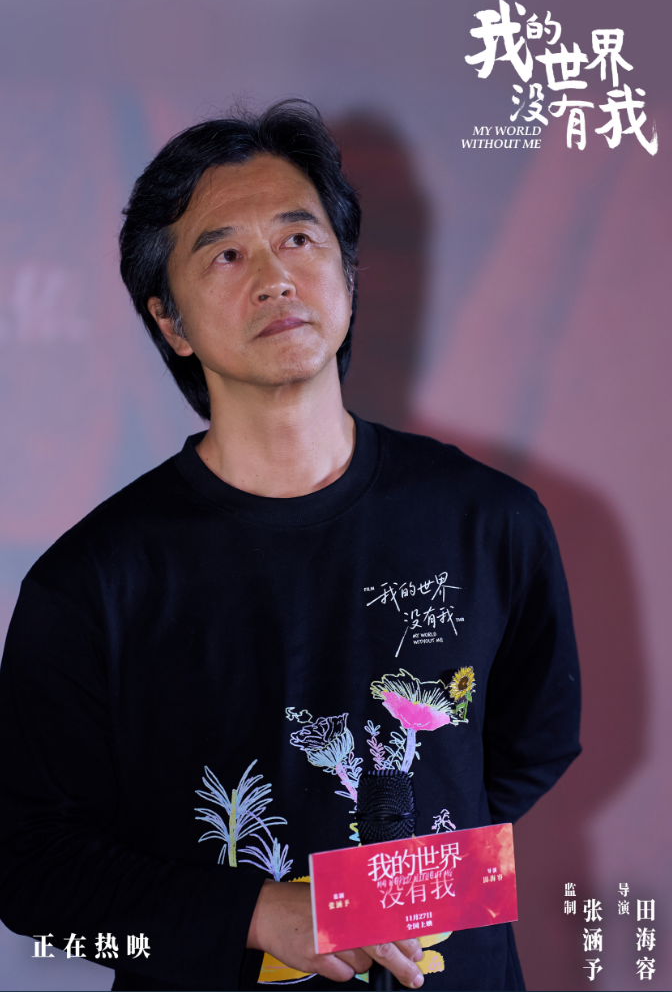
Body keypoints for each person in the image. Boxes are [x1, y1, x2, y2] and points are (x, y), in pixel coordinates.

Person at [0, 100, 581, 992]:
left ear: (347, 273)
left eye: (299, 239)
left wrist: (409, 854)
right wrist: (257, 913)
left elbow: (530, 745)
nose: (275, 277)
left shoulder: (488, 519)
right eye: (226, 255)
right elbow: (32, 871)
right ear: (171, 323)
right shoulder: (92, 584)